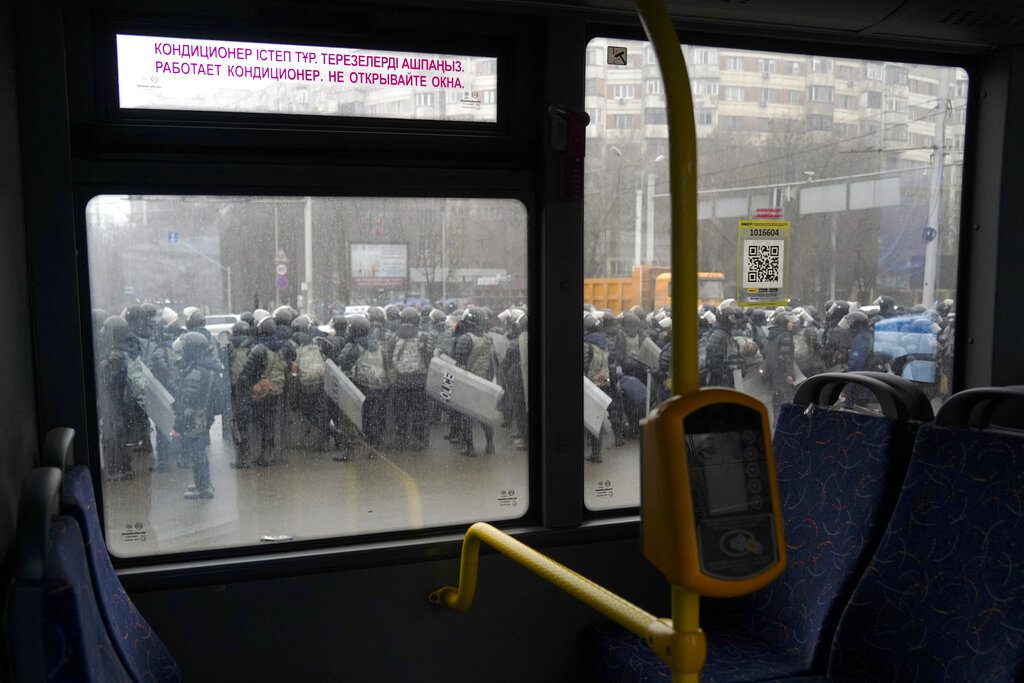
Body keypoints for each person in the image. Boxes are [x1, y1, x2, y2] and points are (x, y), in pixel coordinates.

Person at [172, 332, 221, 499]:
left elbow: (187, 402)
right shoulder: (204, 365)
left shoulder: (196, 371)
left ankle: (204, 488)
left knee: (197, 453)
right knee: (199, 452)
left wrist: (177, 424)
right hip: (202, 417)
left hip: (195, 419)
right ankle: (203, 483)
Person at [336, 315, 387, 455]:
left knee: (350, 417)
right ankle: (374, 446)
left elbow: (342, 362)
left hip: (359, 387)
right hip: (378, 386)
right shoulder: (377, 345)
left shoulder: (353, 346)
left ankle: (349, 450)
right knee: (374, 417)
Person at [388, 307, 434, 451]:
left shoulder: (393, 337)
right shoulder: (425, 337)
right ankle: (419, 440)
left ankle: (401, 439)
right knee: (420, 413)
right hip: (420, 382)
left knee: (401, 413)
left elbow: (389, 359)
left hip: (400, 382)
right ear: (417, 320)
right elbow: (429, 359)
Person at [453, 307, 496, 457]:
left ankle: (470, 448)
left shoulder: (465, 339)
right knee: (484, 415)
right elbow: (492, 364)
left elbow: (461, 365)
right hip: (484, 382)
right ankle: (490, 444)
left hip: (469, 383)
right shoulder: (488, 339)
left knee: (465, 417)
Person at [763, 311, 797, 419]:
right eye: (790, 322)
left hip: (774, 372)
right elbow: (785, 357)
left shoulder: (773, 334)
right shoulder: (786, 336)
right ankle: (782, 424)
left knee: (777, 399)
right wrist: (789, 374)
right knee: (786, 399)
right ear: (784, 322)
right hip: (782, 374)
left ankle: (776, 422)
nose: (793, 324)